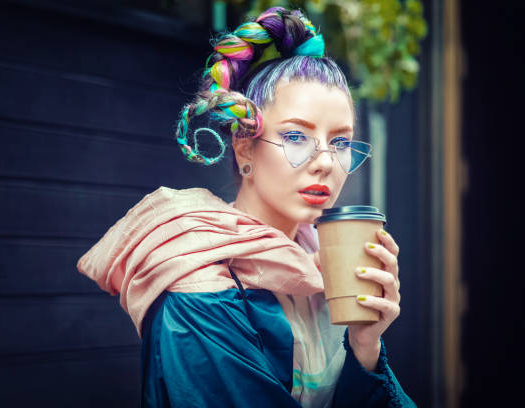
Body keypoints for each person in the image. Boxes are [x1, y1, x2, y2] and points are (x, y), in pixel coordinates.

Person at [77, 6, 415, 407]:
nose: (326, 161)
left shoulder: (322, 268)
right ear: (243, 148)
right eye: (295, 137)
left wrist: (365, 344)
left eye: (340, 142)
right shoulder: (200, 289)